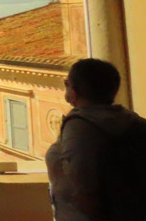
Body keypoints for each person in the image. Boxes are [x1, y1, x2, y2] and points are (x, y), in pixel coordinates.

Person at [46, 58, 146, 220]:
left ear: (75, 90)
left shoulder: (80, 127)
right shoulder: (132, 120)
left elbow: (85, 188)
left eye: (67, 84)